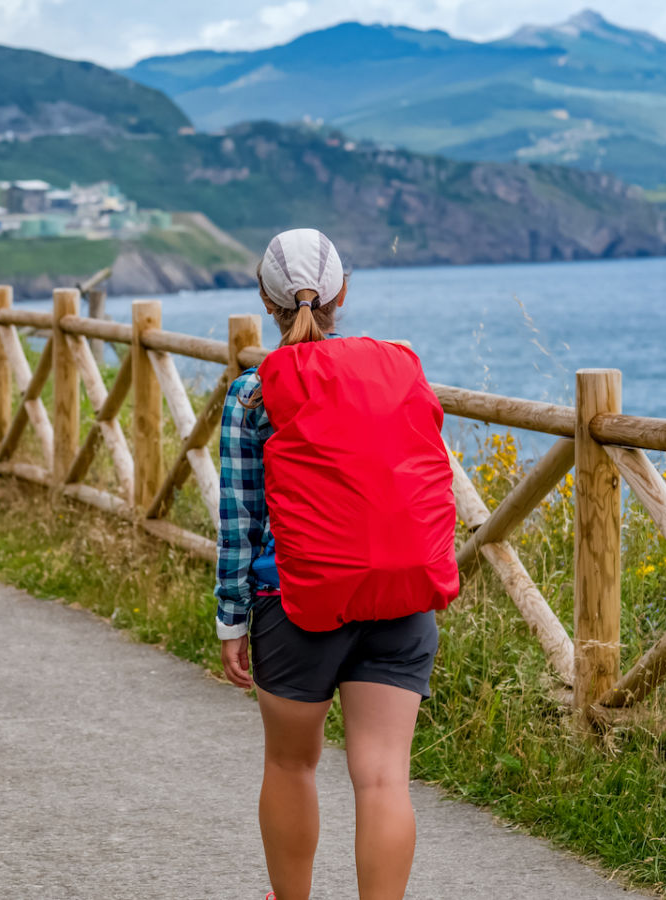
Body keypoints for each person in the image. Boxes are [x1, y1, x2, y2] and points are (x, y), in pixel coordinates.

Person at [215, 228, 459, 900]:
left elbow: (240, 523)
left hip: (295, 606)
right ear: (342, 292)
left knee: (290, 763)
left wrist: (231, 624)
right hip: (401, 601)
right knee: (383, 778)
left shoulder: (252, 393)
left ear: (266, 298)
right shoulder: (397, 367)